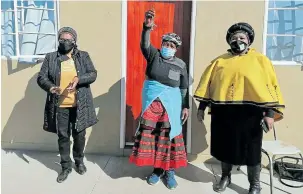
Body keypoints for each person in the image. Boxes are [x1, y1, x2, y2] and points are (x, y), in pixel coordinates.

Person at [194, 22, 285, 194]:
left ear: (249, 40)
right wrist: (201, 107)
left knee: (251, 150)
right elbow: (209, 85)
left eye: (242, 37)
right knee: (224, 147)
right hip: (224, 112)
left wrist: (270, 114)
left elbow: (269, 87)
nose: (238, 40)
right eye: (234, 38)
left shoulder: (261, 61)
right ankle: (225, 177)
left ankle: (254, 184)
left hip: (251, 113)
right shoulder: (219, 61)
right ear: (229, 41)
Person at [129, 10, 189, 190]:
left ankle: (169, 172)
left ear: (176, 48)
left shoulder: (180, 65)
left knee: (168, 137)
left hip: (171, 106)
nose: (168, 46)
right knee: (154, 137)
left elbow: (183, 87)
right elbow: (144, 43)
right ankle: (156, 170)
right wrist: (147, 27)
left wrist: (185, 106)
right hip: (152, 104)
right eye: (166, 43)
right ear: (161, 44)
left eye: (172, 45)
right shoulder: (153, 55)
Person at [37, 27, 98, 183]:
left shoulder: (83, 56)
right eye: (62, 39)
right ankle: (65, 167)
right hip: (60, 105)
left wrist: (79, 79)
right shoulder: (51, 58)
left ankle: (79, 161)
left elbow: (93, 74)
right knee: (63, 136)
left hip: (80, 105)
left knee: (79, 136)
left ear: (74, 41)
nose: (65, 42)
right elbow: (41, 77)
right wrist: (51, 87)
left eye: (68, 39)